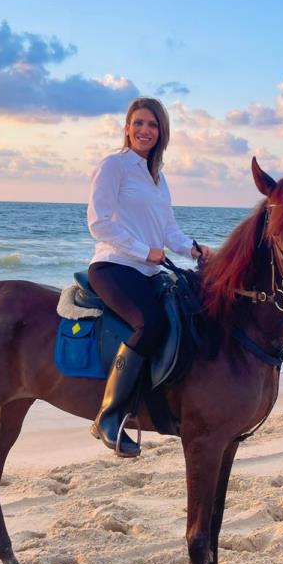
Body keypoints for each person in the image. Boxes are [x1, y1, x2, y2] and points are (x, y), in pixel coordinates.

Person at [86, 97, 211, 458]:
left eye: (152, 125)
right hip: (114, 267)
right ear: (127, 128)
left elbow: (169, 231)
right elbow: (99, 222)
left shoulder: (158, 178)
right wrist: (144, 250)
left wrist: (195, 250)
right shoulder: (114, 166)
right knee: (150, 324)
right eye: (138, 123)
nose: (145, 130)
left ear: (162, 133)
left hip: (149, 271)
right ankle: (108, 417)